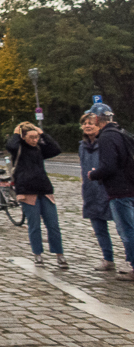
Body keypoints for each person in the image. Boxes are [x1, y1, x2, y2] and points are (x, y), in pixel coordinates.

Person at [7, 122, 66, 269]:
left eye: (36, 137)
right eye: (31, 137)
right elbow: (11, 146)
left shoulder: (40, 149)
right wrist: (16, 132)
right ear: (23, 137)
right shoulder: (19, 148)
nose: (35, 140)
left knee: (53, 225)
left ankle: (60, 255)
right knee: (34, 226)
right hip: (27, 191)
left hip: (44, 190)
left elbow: (56, 149)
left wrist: (42, 133)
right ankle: (37, 255)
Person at [85, 102, 134, 280]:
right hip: (130, 186)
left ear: (96, 118)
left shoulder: (106, 137)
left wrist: (94, 174)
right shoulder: (122, 132)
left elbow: (109, 166)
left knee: (127, 230)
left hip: (119, 190)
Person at [79, 112, 117, 271]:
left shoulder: (106, 142)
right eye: (84, 123)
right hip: (91, 191)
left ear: (99, 125)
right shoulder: (82, 146)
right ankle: (108, 259)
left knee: (124, 228)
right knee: (99, 229)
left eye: (91, 123)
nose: (87, 126)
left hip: (109, 190)